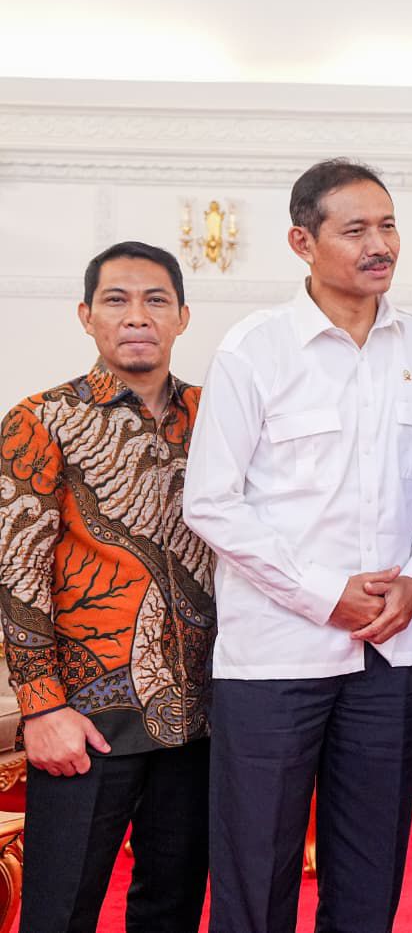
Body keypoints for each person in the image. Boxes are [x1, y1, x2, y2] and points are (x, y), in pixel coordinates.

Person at [183, 159, 412, 933]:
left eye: (389, 224)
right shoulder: (254, 349)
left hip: (389, 655)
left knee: (370, 876)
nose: (381, 245)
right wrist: (322, 592)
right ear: (302, 241)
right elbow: (210, 500)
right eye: (356, 230)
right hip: (274, 657)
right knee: (254, 876)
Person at [0, 241, 214, 933]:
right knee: (58, 914)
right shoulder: (40, 419)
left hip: (203, 717)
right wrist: (41, 708)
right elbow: (17, 567)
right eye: (117, 300)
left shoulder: (219, 417)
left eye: (155, 300)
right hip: (84, 719)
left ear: (182, 315)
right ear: (87, 316)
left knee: (172, 910)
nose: (137, 316)